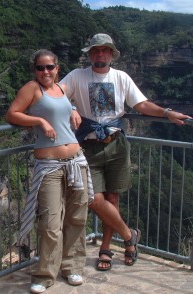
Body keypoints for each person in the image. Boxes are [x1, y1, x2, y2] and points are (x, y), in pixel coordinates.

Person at [60, 33, 192, 271]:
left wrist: (167, 112)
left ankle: (106, 248)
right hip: (88, 146)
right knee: (92, 198)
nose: (100, 54)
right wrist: (69, 106)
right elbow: (56, 94)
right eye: (96, 50)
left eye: (105, 50)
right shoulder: (77, 76)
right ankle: (129, 234)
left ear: (111, 54)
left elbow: (140, 104)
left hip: (116, 145)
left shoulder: (121, 77)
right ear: (89, 54)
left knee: (112, 199)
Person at [6, 49, 94, 293]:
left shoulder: (63, 90)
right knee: (50, 222)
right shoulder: (33, 88)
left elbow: (65, 108)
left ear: (57, 69)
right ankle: (45, 274)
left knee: (77, 218)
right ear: (34, 70)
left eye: (50, 67)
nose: (45, 72)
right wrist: (39, 121)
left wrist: (74, 109)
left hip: (76, 160)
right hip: (49, 167)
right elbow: (12, 113)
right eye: (40, 67)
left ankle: (72, 267)